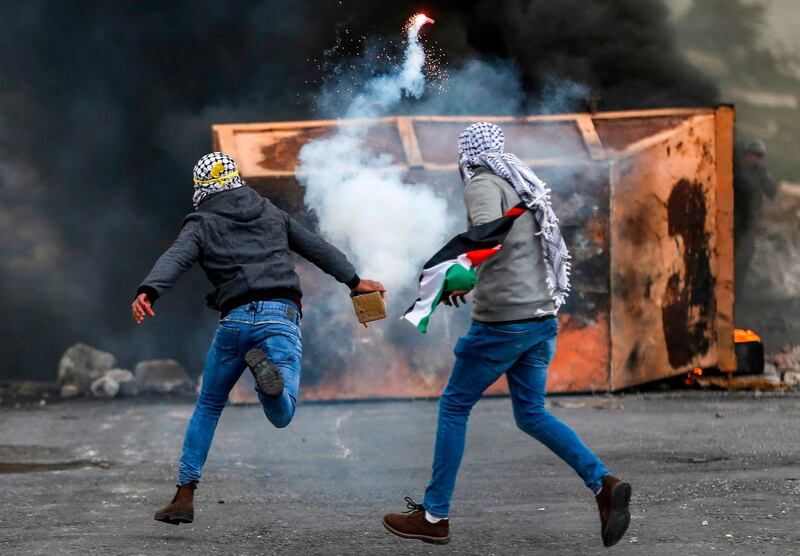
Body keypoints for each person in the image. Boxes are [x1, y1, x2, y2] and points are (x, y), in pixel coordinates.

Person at [382, 123, 631, 547]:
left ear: (469, 155)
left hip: (504, 323)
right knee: (531, 413)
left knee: (454, 406)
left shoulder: (483, 183)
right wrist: (465, 274)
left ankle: (434, 515)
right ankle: (602, 483)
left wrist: (461, 276)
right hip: (540, 318)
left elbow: (486, 238)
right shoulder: (522, 181)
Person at [132, 152, 384, 525]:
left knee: (208, 406)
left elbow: (176, 257)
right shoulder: (271, 213)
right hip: (279, 318)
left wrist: (149, 291)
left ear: (203, 187)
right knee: (283, 414)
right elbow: (317, 248)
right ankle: (271, 389)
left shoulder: (200, 223)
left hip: (234, 322)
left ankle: (184, 495)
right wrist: (354, 280)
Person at [733, 137, 778, 298]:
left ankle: (737, 295)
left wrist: (767, 179)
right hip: (734, 220)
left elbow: (772, 193)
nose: (753, 158)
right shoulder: (737, 171)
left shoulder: (761, 172)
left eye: (757, 156)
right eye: (751, 155)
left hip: (750, 223)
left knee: (744, 259)